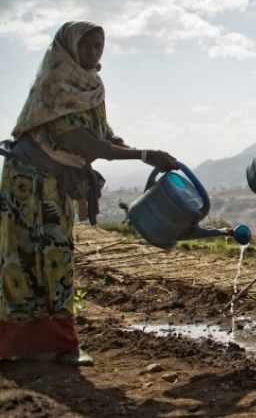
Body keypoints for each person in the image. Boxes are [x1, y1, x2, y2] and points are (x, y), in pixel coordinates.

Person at [0, 21, 178, 366]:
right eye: (88, 45)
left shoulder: (90, 86)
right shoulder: (55, 86)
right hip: (29, 185)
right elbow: (84, 143)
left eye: (100, 46)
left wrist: (139, 152)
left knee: (53, 256)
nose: (95, 52)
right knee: (29, 259)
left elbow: (104, 136)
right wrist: (143, 155)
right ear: (69, 47)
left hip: (52, 182)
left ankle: (52, 343)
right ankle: (39, 345)